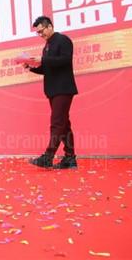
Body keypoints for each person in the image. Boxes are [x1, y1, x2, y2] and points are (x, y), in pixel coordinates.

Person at [24, 16, 78, 169]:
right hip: (53, 89)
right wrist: (31, 67)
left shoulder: (63, 40)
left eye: (42, 31)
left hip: (63, 88)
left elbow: (65, 60)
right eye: (38, 33)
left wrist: (42, 59)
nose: (41, 35)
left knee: (57, 123)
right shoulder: (47, 46)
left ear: (49, 26)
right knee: (64, 125)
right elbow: (47, 68)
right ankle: (70, 158)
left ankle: (48, 157)